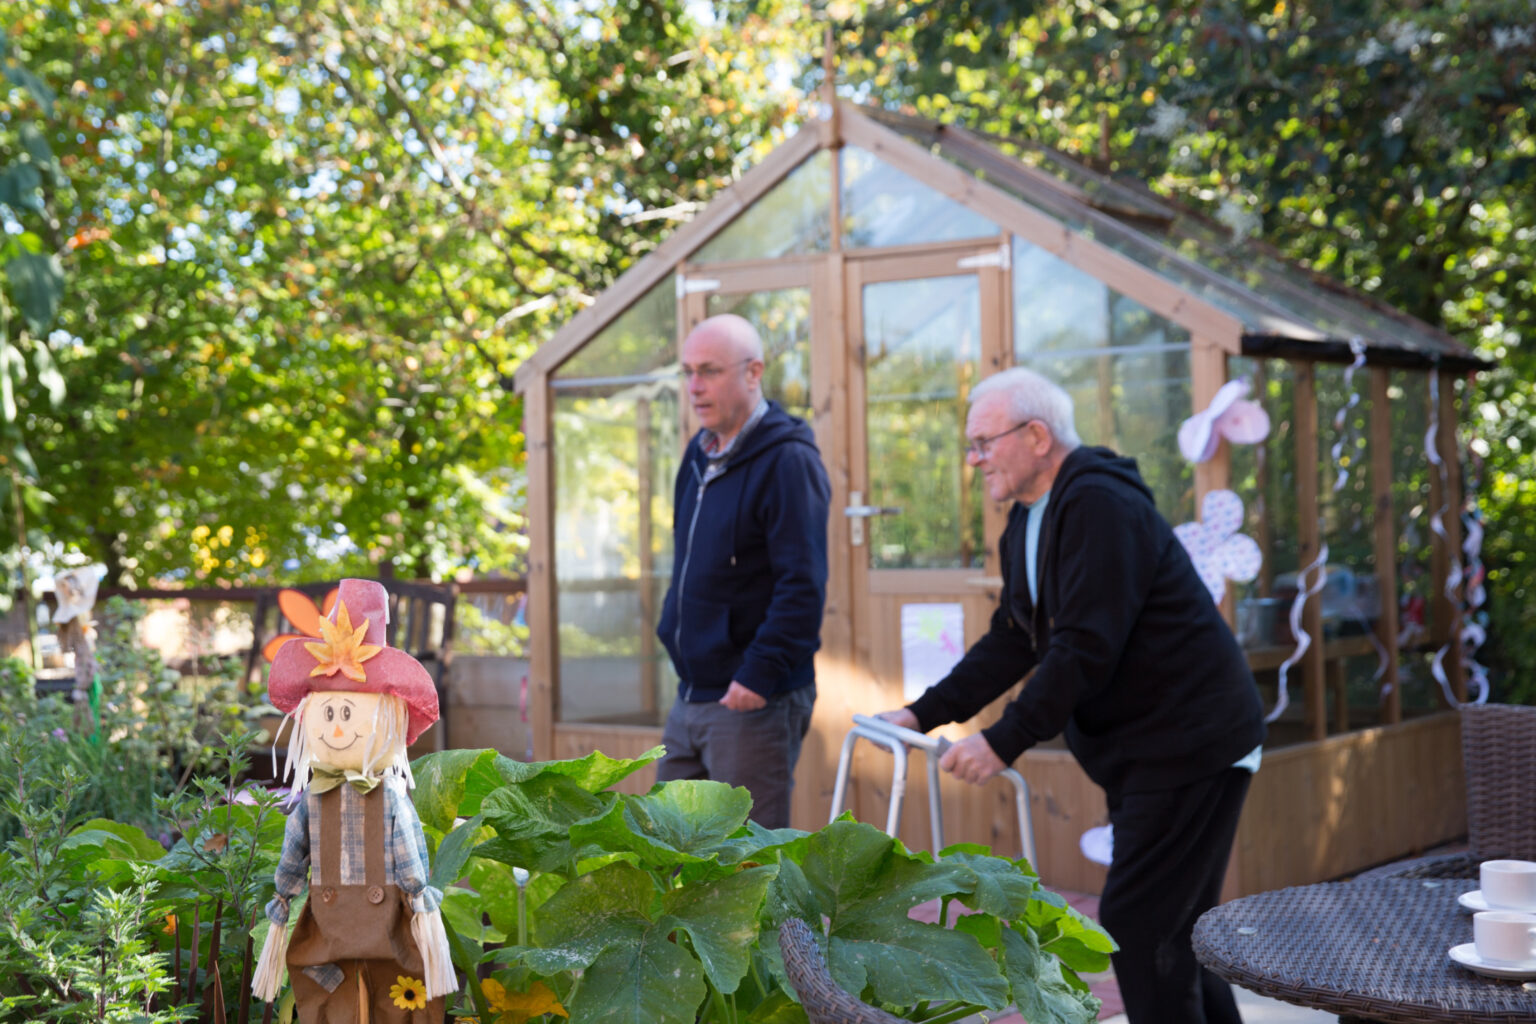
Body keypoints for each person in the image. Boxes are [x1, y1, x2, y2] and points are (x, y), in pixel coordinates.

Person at [877, 367, 1264, 1024]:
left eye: (983, 443)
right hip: (1154, 746)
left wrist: (1003, 741)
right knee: (1174, 930)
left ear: (1036, 436)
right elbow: (1015, 638)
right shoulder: (1028, 518)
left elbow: (1085, 646)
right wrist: (924, 712)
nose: (973, 460)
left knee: (1140, 922)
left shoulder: (1099, 504)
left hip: (1191, 740)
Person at [655, 313, 831, 829]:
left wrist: (758, 675)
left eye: (709, 371)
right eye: (688, 372)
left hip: (751, 699)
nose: (694, 386)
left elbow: (803, 585)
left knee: (745, 859)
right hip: (691, 693)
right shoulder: (698, 455)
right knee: (664, 843)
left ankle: (783, 907)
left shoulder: (789, 461)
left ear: (754, 373)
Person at [253, 578, 455, 1021]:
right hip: (327, 926)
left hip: (386, 925)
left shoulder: (391, 799)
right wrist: (283, 901)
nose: (338, 727)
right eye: (328, 714)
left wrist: (419, 904)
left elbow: (410, 864)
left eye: (348, 713)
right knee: (329, 993)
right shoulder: (311, 801)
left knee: (395, 995)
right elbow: (293, 858)